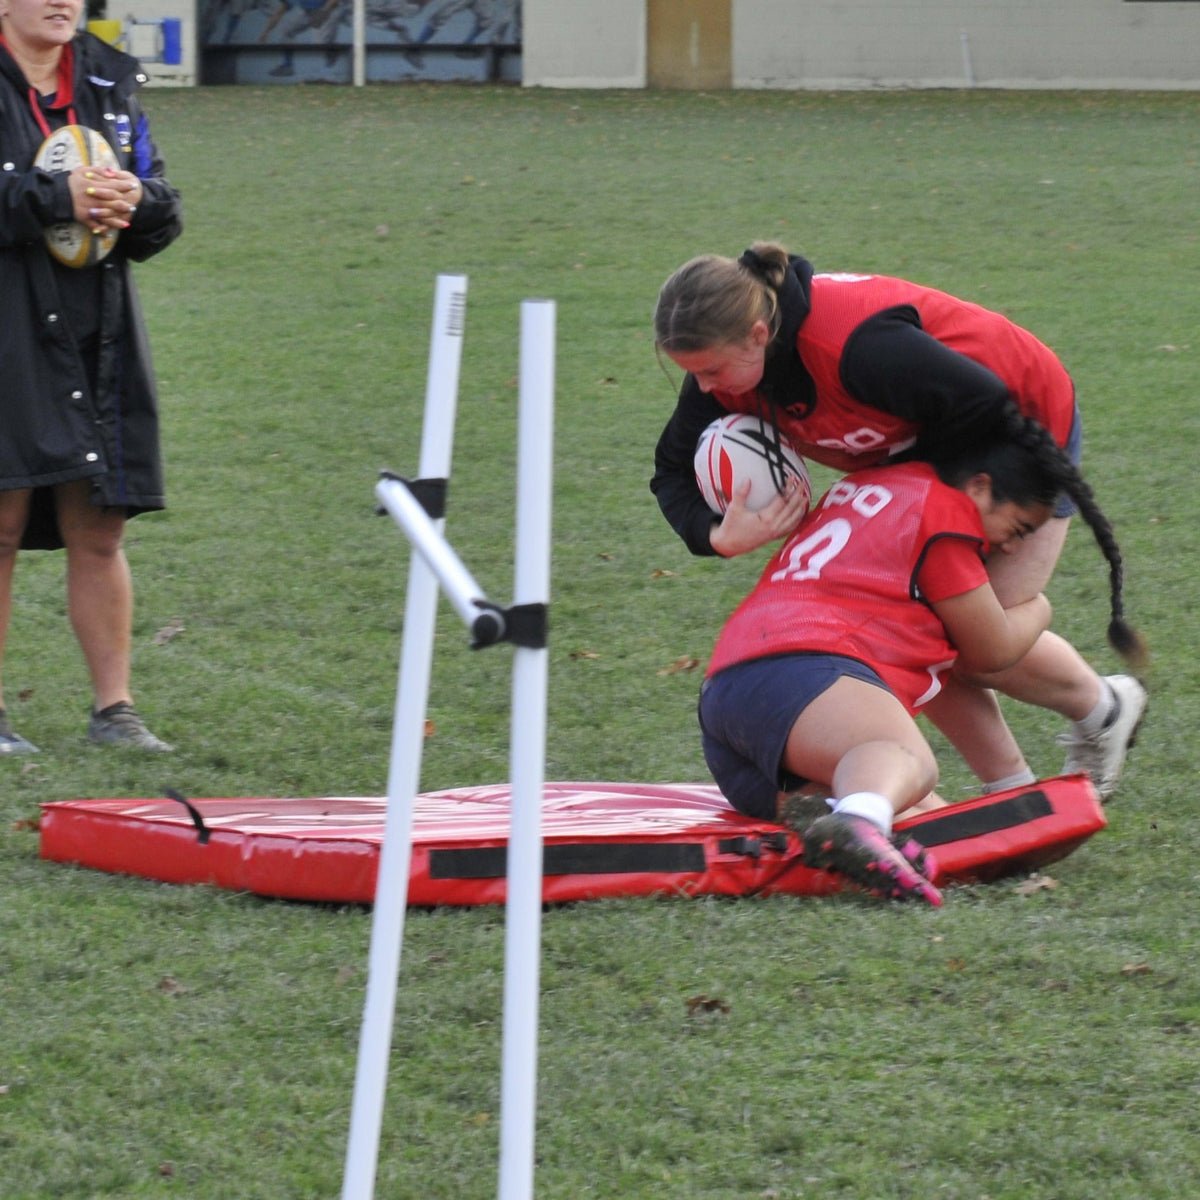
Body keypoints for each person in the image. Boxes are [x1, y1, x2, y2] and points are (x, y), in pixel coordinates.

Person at [652, 243, 1148, 800]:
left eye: (711, 370)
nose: (705, 389)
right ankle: (1012, 787)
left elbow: (983, 399)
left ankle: (1098, 714)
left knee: (974, 636)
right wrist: (715, 535)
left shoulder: (855, 348)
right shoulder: (730, 368)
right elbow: (670, 469)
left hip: (1017, 431)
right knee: (910, 618)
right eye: (692, 374)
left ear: (759, 335)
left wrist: (924, 515)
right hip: (933, 447)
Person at [699, 426, 1144, 905]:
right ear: (978, 487)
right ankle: (858, 818)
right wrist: (1039, 607)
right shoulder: (943, 513)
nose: (1012, 548)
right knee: (906, 759)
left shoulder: (870, 483)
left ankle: (828, 809)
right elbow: (991, 650)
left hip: (734, 708)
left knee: (922, 816)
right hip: (806, 673)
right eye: (1015, 529)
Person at [0, 0, 183, 753]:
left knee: (100, 525)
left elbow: (164, 206)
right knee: (1, 522)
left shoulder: (109, 80)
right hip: (8, 321)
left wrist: (136, 201)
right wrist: (57, 197)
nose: (61, 2)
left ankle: (116, 712)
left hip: (97, 328)